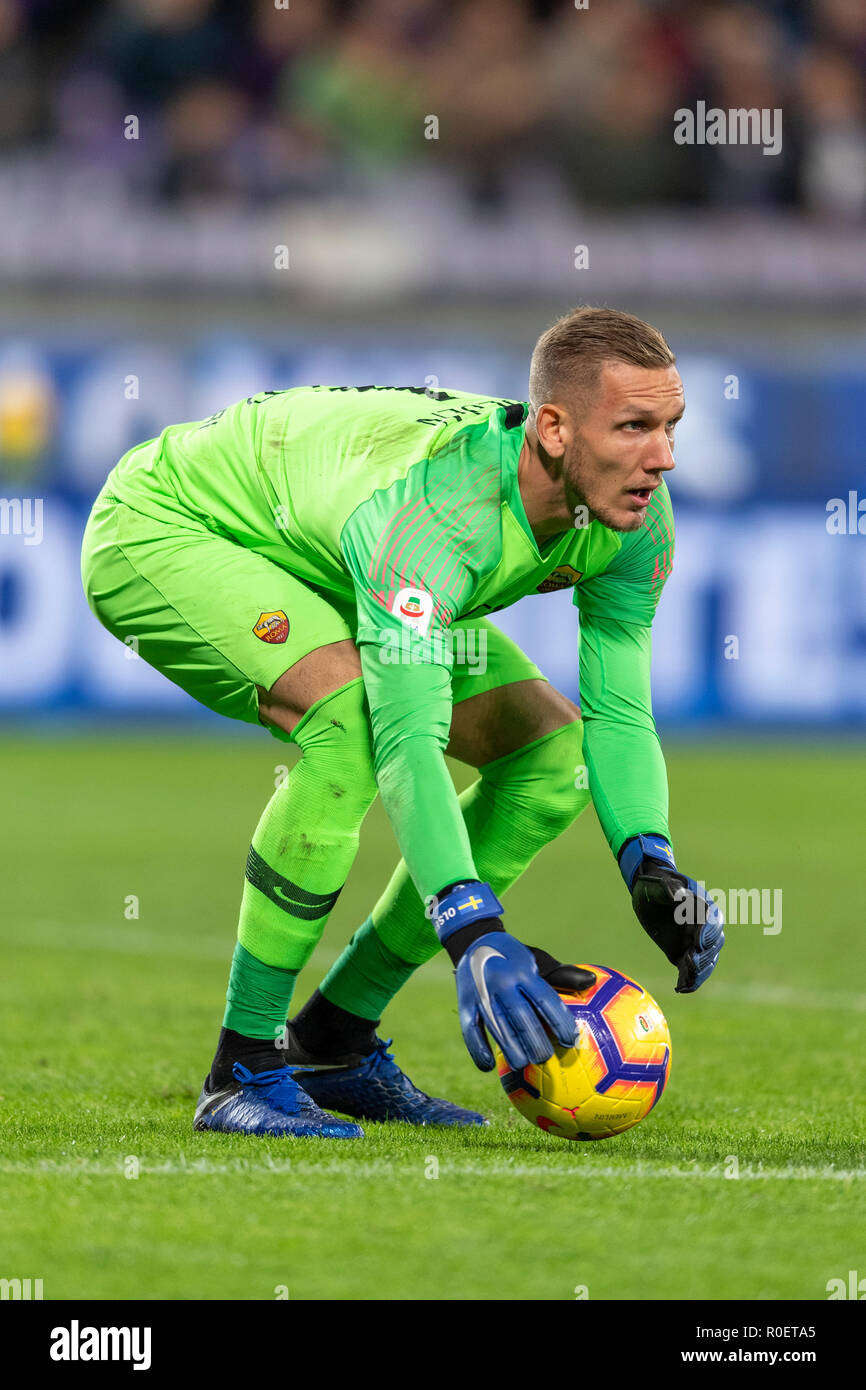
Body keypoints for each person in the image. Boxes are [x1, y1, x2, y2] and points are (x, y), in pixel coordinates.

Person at [80, 305, 724, 1139]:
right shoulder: (437, 522)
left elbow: (618, 706)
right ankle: (242, 1066)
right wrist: (473, 927)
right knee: (350, 719)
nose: (664, 457)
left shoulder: (633, 520)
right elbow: (407, 744)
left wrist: (649, 857)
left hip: (330, 554)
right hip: (170, 525)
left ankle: (335, 1041)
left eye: (672, 425)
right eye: (635, 426)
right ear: (556, 430)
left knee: (552, 756)